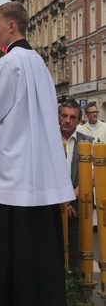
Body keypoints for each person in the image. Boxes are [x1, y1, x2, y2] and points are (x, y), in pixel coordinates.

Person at [0, 1, 75, 306]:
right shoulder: (39, 62)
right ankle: (35, 300)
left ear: (11, 26)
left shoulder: (9, 62)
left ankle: (6, 300)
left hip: (12, 164)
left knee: (9, 233)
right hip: (36, 164)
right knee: (36, 233)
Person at [59, 99, 93, 272]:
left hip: (76, 209)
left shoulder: (87, 142)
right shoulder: (46, 141)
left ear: (79, 120)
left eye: (72, 117)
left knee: (75, 258)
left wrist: (70, 198)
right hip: (50, 208)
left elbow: (93, 175)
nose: (67, 120)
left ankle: (78, 296)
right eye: (64, 116)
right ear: (58, 117)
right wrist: (59, 201)